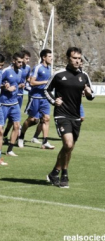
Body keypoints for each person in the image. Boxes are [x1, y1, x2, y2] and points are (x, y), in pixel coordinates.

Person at [45, 47, 94, 188]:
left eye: (79, 58)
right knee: (68, 144)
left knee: (68, 148)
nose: (77, 61)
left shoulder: (84, 75)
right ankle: (64, 175)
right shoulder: (59, 74)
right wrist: (54, 101)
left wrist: (89, 92)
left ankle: (54, 172)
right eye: (74, 58)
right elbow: (46, 89)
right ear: (68, 58)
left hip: (76, 116)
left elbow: (91, 96)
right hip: (61, 114)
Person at [18, 49, 54, 149]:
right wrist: (44, 82)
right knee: (32, 120)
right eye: (50, 56)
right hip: (35, 97)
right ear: (44, 57)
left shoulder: (49, 68)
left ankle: (45, 142)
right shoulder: (38, 68)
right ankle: (21, 135)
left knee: (46, 118)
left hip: (45, 97)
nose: (51, 58)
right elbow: (32, 82)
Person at [3, 50, 31, 144]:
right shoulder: (7, 70)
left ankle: (11, 145)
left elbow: (26, 80)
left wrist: (24, 85)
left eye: (25, 60)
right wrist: (6, 86)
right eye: (24, 59)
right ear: (14, 60)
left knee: (15, 122)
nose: (24, 62)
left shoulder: (24, 70)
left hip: (17, 97)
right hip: (5, 100)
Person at [0, 52, 23, 156]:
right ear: (13, 61)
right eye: (19, 62)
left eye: (22, 62)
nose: (21, 64)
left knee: (17, 125)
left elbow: (17, 84)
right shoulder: (5, 71)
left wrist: (20, 86)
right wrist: (5, 87)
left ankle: (9, 150)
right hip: (4, 103)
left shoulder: (20, 72)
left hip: (14, 102)